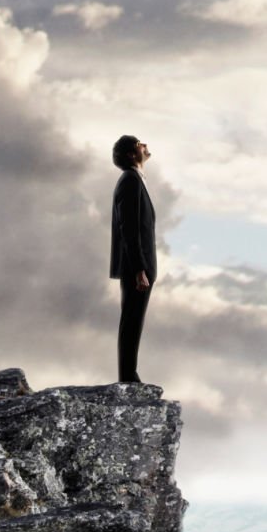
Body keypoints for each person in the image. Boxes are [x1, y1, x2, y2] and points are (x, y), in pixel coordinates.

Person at [109, 135, 157, 383]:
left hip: (141, 266)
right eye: (139, 143)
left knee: (134, 318)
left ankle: (129, 373)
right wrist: (139, 269)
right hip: (136, 266)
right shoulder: (130, 180)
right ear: (130, 154)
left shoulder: (136, 180)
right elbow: (128, 227)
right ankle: (128, 375)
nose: (145, 144)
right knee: (131, 318)